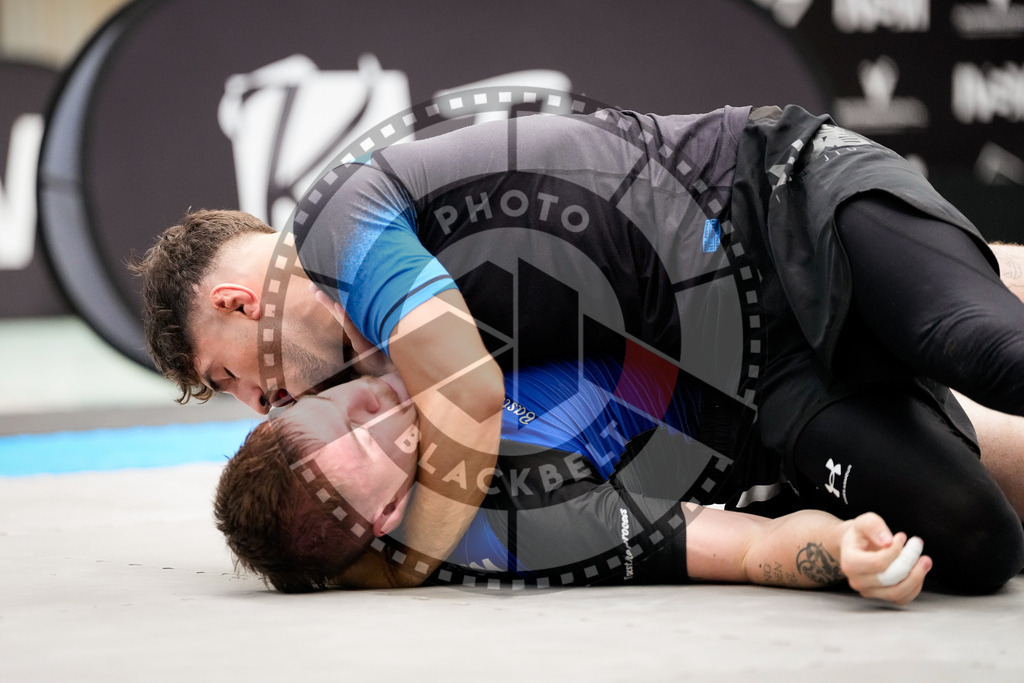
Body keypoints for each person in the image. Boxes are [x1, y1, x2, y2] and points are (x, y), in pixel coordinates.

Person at [134, 101, 1024, 590]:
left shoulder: (339, 233)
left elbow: (469, 392)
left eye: (230, 378)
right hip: (770, 382)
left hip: (770, 197)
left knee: (980, 348)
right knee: (973, 541)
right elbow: (729, 544)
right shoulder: (396, 415)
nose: (262, 401)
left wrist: (403, 566)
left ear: (237, 302)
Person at [214, 360, 931, 606]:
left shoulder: (372, 349)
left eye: (332, 401)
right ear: (391, 511)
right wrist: (841, 551)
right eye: (367, 428)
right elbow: (747, 548)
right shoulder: (529, 522)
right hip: (777, 396)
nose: (375, 395)